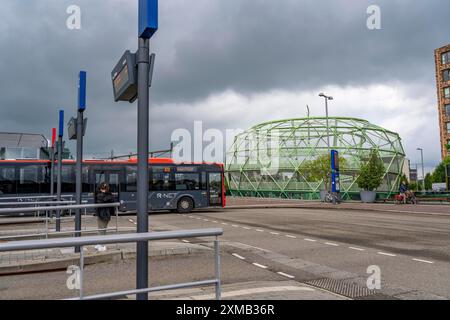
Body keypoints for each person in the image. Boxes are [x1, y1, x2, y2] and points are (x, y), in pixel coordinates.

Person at [94, 182, 115, 251]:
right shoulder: (100, 195)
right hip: (101, 215)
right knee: (101, 229)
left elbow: (111, 200)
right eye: (103, 188)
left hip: (105, 215)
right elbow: (103, 199)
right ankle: (100, 244)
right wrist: (106, 194)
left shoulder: (105, 195)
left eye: (105, 188)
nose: (104, 190)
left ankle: (100, 244)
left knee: (102, 229)